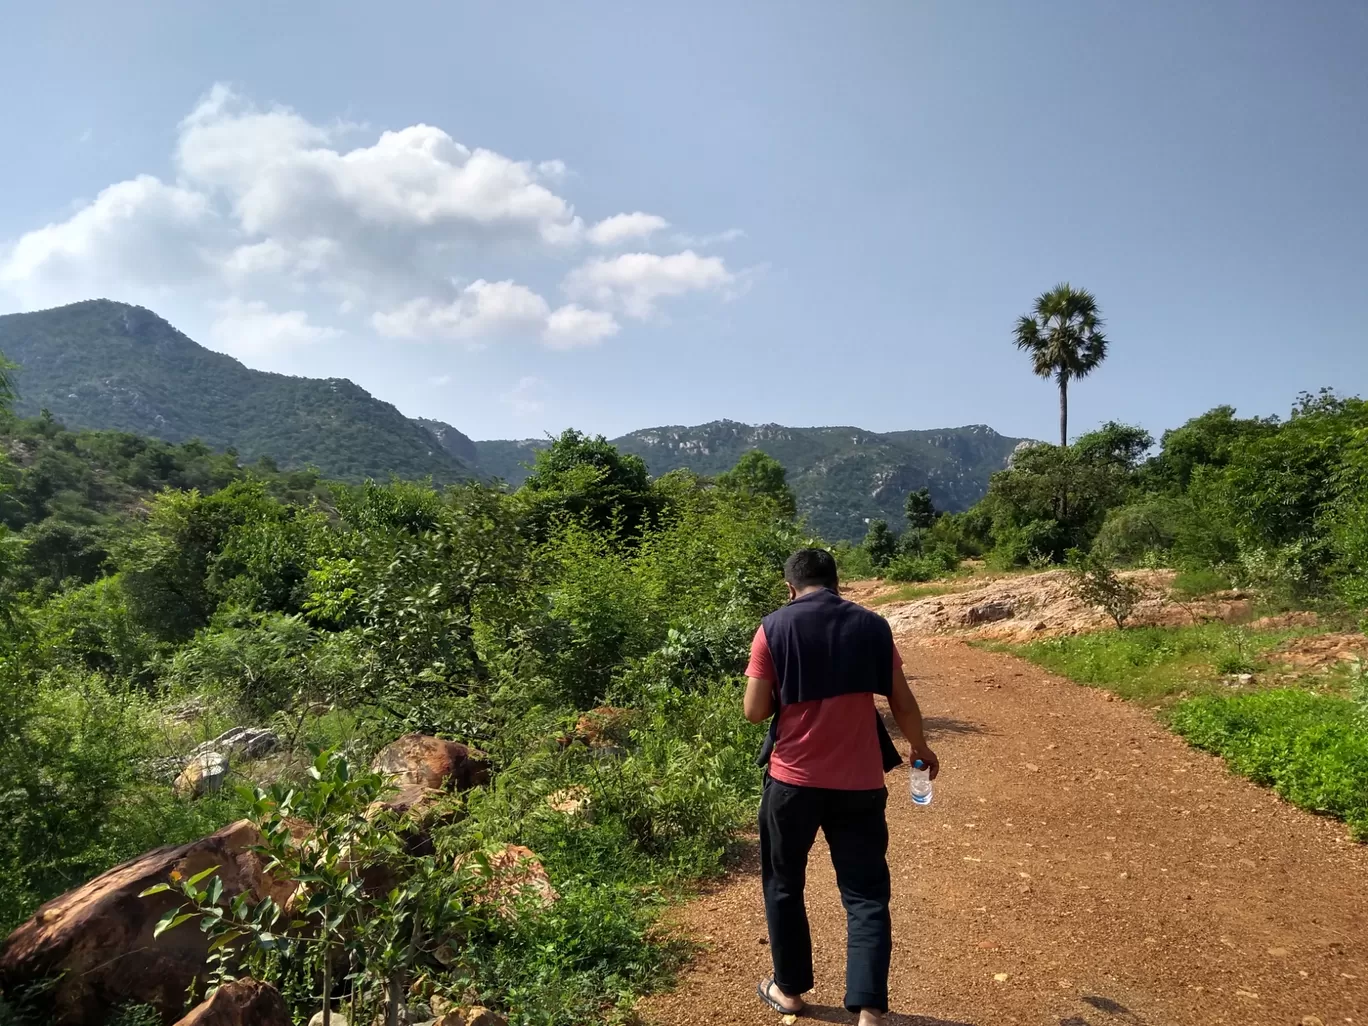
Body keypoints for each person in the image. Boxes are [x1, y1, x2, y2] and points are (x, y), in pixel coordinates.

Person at [743, 547, 939, 1025]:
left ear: (790, 587)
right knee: (866, 892)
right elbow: (903, 702)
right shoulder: (872, 626)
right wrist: (921, 749)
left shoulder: (774, 627)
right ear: (838, 583)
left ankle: (789, 992)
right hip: (860, 783)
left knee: (784, 883)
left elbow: (754, 711)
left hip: (793, 782)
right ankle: (869, 1009)